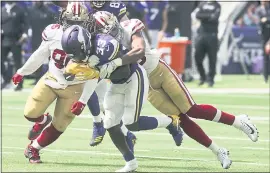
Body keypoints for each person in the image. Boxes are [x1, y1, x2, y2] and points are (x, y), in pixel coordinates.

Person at [89, 11, 259, 169]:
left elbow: (139, 50)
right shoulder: (98, 46)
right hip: (143, 84)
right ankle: (218, 150)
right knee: (180, 119)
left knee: (192, 109)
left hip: (158, 71)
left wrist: (116, 62)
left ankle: (238, 121)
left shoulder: (128, 28)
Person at [11, 2, 96, 163]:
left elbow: (94, 75)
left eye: (80, 23)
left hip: (75, 86)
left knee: (60, 125)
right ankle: (42, 120)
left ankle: (34, 148)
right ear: (64, 19)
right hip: (52, 79)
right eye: (72, 23)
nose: (76, 27)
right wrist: (22, 71)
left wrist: (83, 100)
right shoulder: (54, 33)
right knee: (30, 113)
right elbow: (40, 54)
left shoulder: (94, 40)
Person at [1, 1, 28, 90]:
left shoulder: (19, 10)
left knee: (18, 63)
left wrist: (25, 34)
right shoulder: (2, 10)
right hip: (4, 39)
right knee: (1, 60)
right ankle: (6, 79)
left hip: (16, 40)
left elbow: (25, 23)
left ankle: (20, 84)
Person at [194, 0, 221, 87]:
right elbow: (197, 15)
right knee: (197, 57)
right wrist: (208, 16)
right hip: (202, 34)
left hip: (212, 35)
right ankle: (202, 77)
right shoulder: (202, 4)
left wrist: (204, 16)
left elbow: (214, 17)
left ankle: (210, 80)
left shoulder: (217, 5)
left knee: (212, 59)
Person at [28, 1, 55, 85]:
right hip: (35, 39)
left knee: (52, 59)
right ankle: (37, 78)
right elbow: (27, 24)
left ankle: (53, 77)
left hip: (48, 39)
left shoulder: (49, 12)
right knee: (36, 59)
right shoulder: (30, 11)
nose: (37, 1)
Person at [256, 0, 270, 83]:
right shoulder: (259, 10)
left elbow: (265, 19)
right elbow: (258, 22)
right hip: (264, 36)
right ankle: (265, 77)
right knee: (265, 57)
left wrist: (266, 19)